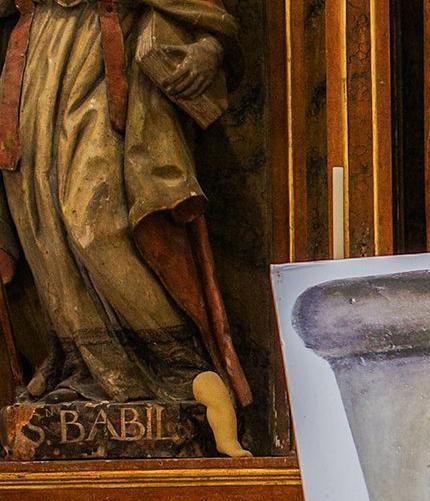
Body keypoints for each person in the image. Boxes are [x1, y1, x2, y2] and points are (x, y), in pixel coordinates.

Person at [0, 0, 251, 455]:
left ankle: (181, 367)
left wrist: (210, 47)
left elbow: (208, 14)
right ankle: (84, 367)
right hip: (35, 56)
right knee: (42, 223)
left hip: (101, 55)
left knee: (93, 220)